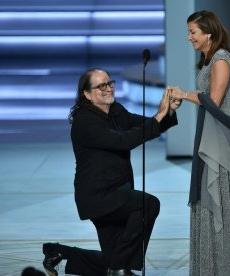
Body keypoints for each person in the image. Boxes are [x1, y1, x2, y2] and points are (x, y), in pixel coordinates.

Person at [42, 68, 181, 276]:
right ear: (87, 94)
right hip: (99, 196)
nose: (108, 89)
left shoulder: (116, 110)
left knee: (111, 258)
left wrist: (168, 111)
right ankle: (119, 269)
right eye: (101, 86)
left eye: (110, 83)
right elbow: (122, 141)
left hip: (117, 192)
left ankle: (58, 253)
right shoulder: (85, 121)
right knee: (148, 205)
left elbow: (146, 125)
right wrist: (159, 115)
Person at [169, 10, 230, 275]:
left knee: (217, 198)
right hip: (207, 134)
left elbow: (213, 100)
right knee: (205, 198)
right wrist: (186, 97)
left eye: (193, 31)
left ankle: (223, 267)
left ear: (208, 33)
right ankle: (209, 266)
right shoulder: (206, 60)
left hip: (219, 139)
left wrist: (184, 94)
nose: (189, 37)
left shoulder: (221, 59)